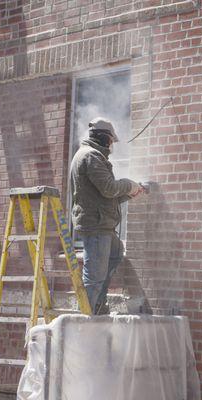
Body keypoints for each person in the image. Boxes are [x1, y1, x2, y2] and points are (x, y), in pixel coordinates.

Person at [70, 117, 147, 315]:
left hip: (101, 223)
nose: (112, 145)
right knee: (94, 278)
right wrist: (129, 185)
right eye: (111, 141)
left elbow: (106, 196)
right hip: (96, 226)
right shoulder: (91, 156)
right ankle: (84, 318)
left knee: (115, 253)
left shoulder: (93, 156)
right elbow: (109, 188)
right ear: (104, 138)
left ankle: (96, 307)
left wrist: (130, 193)